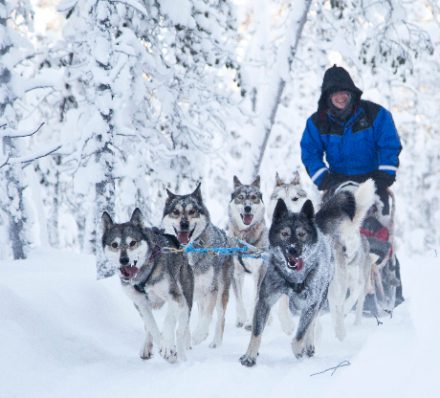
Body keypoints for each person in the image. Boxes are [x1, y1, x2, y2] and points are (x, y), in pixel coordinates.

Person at [300, 64, 404, 307]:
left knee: (377, 226)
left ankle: (385, 276)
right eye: (335, 93)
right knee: (329, 231)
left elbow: (390, 144)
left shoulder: (375, 114)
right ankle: (328, 286)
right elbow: (310, 152)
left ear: (352, 93)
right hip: (336, 182)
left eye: (345, 91)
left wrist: (384, 177)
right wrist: (324, 179)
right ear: (327, 96)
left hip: (373, 179)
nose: (341, 96)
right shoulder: (317, 122)